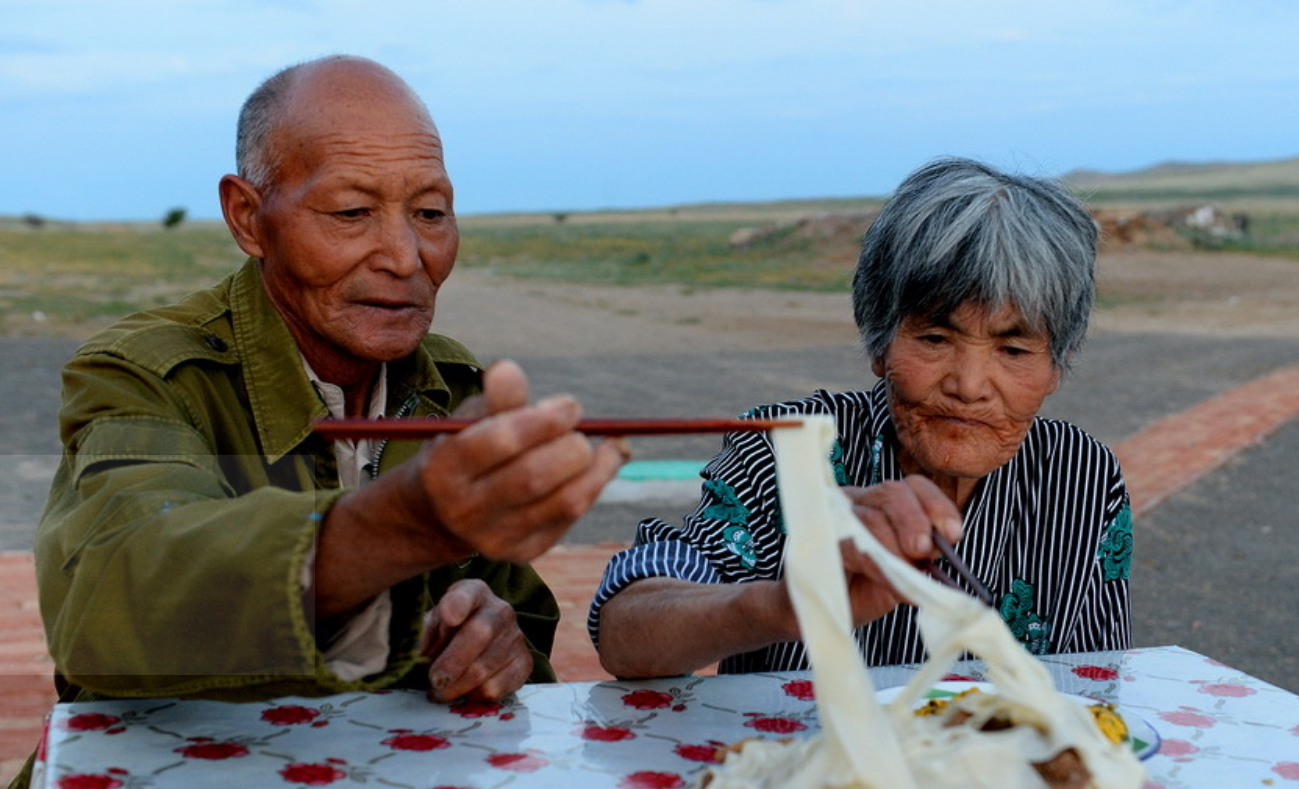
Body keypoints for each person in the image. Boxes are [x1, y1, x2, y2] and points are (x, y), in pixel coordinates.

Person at [31, 55, 630, 713]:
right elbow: (120, 589)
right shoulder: (144, 371)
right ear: (247, 217)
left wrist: (497, 644)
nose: (405, 258)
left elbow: (516, 614)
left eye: (430, 212)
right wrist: (406, 521)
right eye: (350, 211)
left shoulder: (446, 382)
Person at [590, 157, 1132, 678]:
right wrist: (778, 605)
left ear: (1055, 366)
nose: (968, 385)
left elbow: (1098, 680)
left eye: (1013, 351)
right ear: (880, 341)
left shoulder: (1081, 475)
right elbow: (625, 635)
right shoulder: (785, 449)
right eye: (935, 338)